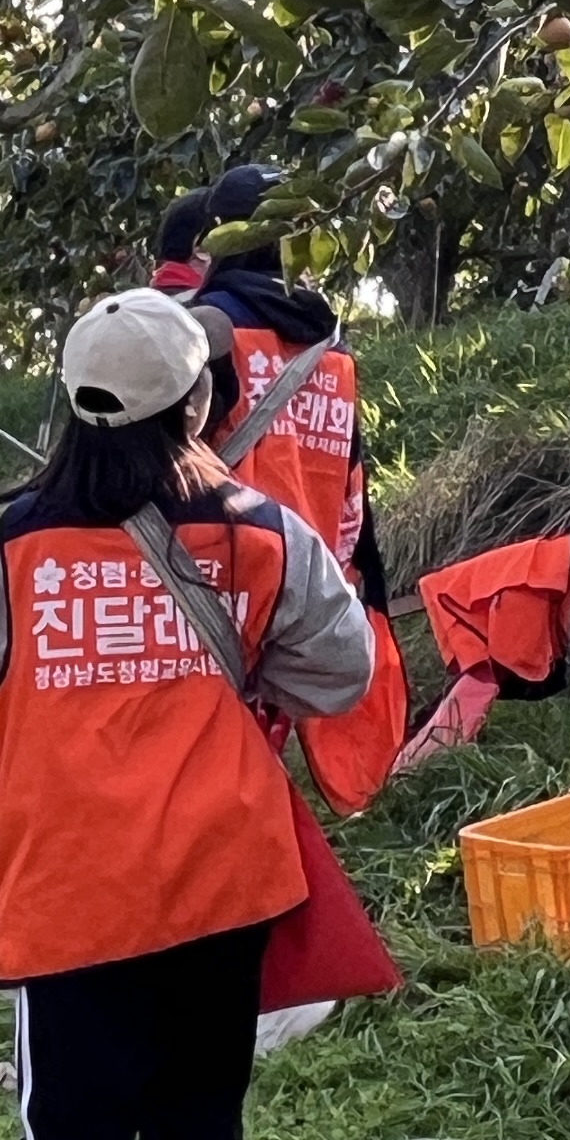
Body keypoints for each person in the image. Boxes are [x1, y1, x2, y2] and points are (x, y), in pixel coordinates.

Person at [0, 289, 372, 1140]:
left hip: (71, 884)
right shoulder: (261, 529)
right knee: (197, 1098)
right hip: (223, 874)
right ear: (197, 401)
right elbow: (345, 673)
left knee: (74, 1133)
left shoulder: (23, 538)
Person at [157, 165, 407, 813]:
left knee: (201, 758)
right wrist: (346, 581)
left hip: (216, 572)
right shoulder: (333, 348)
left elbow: (161, 462)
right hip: (303, 571)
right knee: (253, 743)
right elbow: (352, 492)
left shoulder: (207, 332)